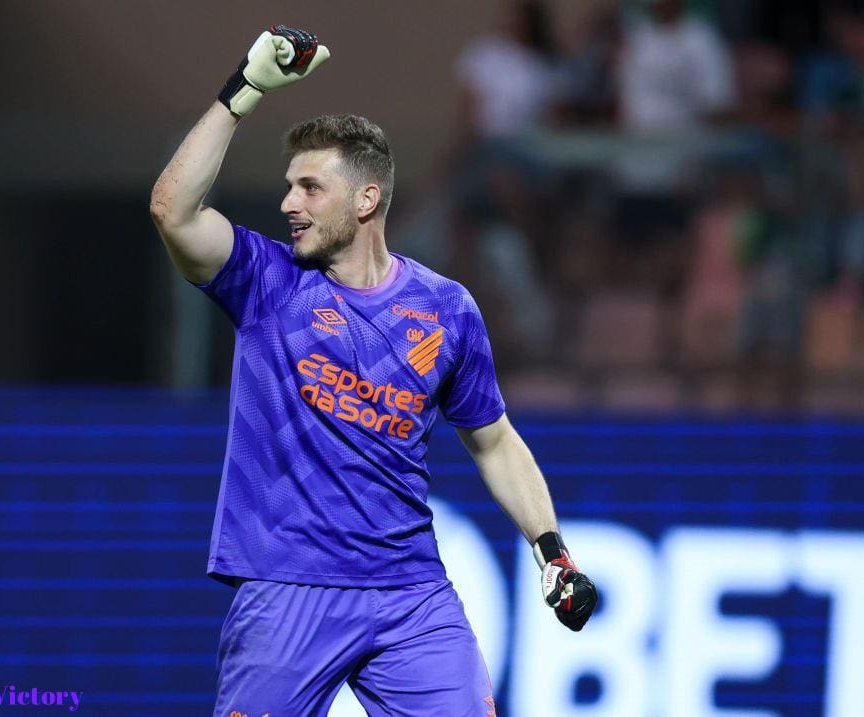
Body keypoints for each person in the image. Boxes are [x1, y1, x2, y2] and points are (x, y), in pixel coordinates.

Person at [149, 26, 597, 716]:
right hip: (286, 590)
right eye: (288, 187)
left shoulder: (446, 309)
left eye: (309, 188)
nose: (288, 204)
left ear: (365, 201)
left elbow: (495, 441)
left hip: (411, 593)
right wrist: (244, 91)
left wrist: (552, 552)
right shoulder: (266, 283)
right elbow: (172, 211)